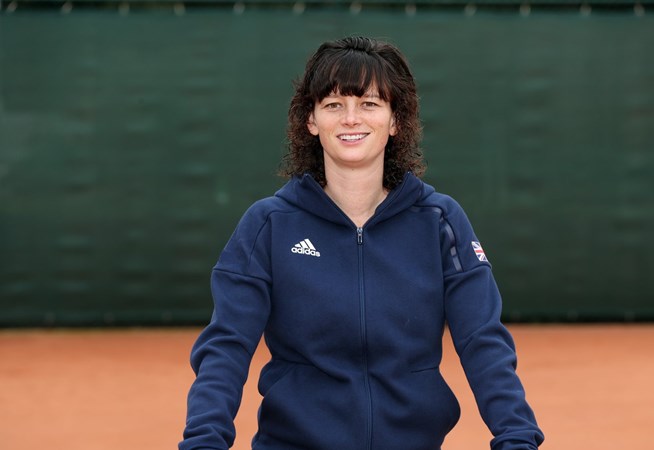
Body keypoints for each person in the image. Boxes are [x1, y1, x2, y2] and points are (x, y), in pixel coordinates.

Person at [180, 36, 544, 450]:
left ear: (395, 120)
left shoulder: (440, 221)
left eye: (369, 104)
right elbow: (226, 347)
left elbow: (483, 342)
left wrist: (516, 435)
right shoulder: (268, 224)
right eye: (334, 105)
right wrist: (204, 441)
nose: (351, 118)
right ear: (311, 121)